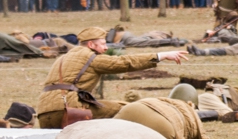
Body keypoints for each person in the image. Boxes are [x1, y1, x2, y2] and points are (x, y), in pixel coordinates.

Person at [35, 27, 187, 127]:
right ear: (90, 45)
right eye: (102, 44)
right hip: (67, 109)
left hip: (43, 113)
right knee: (127, 109)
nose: (106, 48)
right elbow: (125, 63)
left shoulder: (64, 58)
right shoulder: (91, 58)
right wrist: (161, 55)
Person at [113, 85, 225, 139]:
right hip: (161, 125)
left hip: (129, 110)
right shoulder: (190, 112)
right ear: (191, 104)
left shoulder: (160, 100)